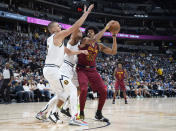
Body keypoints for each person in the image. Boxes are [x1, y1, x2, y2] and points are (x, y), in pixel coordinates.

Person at [36, 4, 94, 126]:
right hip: (54, 70)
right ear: (53, 29)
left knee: (62, 94)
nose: (60, 26)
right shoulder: (58, 35)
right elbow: (74, 27)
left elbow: (68, 52)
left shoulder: (53, 40)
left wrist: (81, 51)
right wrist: (86, 13)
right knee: (72, 89)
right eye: (58, 25)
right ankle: (74, 118)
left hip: (49, 70)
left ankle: (49, 113)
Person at [77, 20, 118, 122]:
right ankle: (81, 112)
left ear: (95, 33)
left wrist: (114, 37)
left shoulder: (99, 45)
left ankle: (98, 114)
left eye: (92, 31)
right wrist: (106, 27)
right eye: (88, 31)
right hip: (81, 69)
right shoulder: (85, 40)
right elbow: (92, 40)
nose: (90, 33)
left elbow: (113, 51)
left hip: (92, 70)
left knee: (104, 91)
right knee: (83, 89)